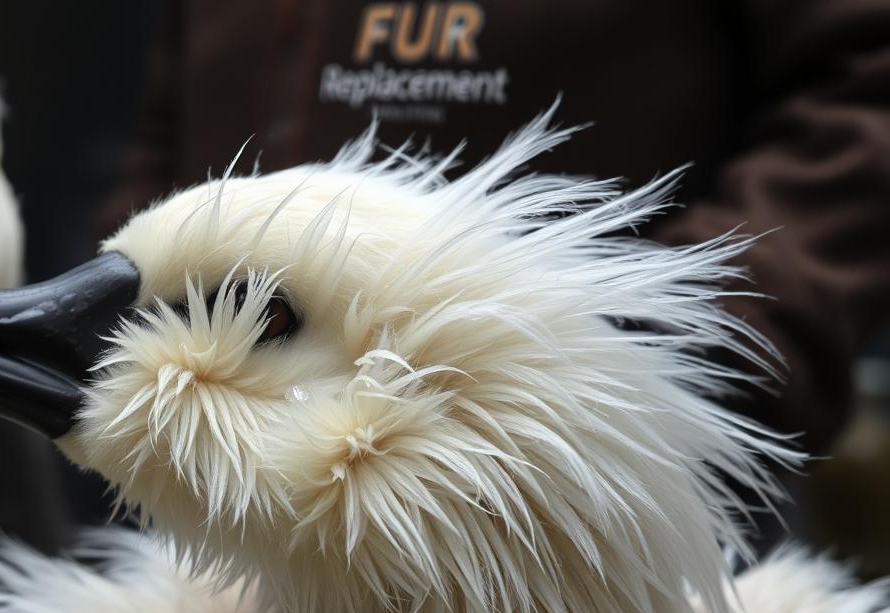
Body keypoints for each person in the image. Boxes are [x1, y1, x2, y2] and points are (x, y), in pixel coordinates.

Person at [100, 0, 890, 465]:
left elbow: (862, 83)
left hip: (607, 487)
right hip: (202, 474)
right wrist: (132, 301)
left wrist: (674, 350)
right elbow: (173, 98)